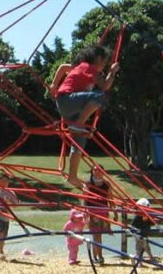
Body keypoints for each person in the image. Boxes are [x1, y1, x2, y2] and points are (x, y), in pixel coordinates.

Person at [49, 45, 120, 187]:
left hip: (68, 108)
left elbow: (63, 67)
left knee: (79, 144)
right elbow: (105, 86)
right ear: (98, 59)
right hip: (67, 100)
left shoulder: (80, 67)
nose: (105, 65)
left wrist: (54, 84)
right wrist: (112, 72)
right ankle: (79, 124)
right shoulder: (89, 68)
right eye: (105, 62)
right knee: (101, 96)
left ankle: (73, 176)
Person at [84, 165, 110, 265]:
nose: (97, 172)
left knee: (99, 236)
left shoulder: (106, 184)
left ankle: (97, 256)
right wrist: (85, 211)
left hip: (103, 211)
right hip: (92, 211)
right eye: (95, 170)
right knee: (96, 235)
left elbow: (109, 197)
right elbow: (84, 198)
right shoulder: (88, 183)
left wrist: (114, 211)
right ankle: (98, 256)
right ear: (92, 171)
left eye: (99, 170)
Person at [131, 198, 156, 262]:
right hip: (138, 232)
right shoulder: (138, 215)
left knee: (144, 245)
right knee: (140, 245)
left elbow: (153, 223)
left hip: (144, 232)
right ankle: (142, 258)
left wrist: (147, 219)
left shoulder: (148, 215)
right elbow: (133, 225)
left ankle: (142, 258)